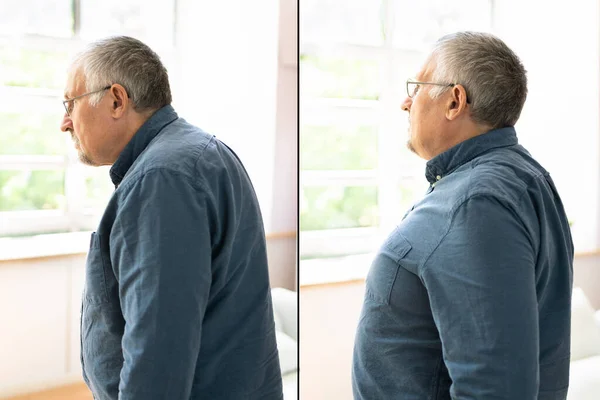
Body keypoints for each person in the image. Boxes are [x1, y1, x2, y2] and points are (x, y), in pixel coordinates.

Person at [352, 31, 574, 399]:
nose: (406, 102)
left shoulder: (475, 203)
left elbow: (495, 388)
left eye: (418, 86)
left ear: (455, 101)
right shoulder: (518, 176)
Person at [60, 36, 283, 399]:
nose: (65, 122)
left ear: (117, 100)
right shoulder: (194, 153)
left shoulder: (162, 178)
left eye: (71, 103)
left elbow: (158, 354)